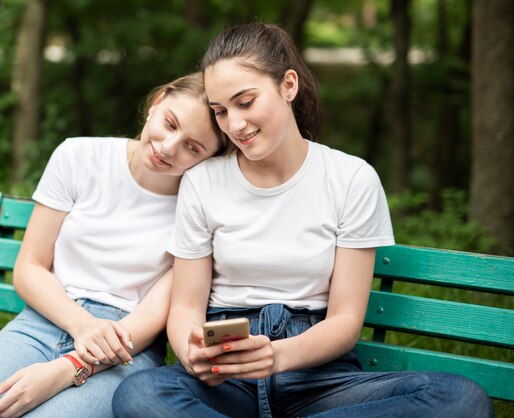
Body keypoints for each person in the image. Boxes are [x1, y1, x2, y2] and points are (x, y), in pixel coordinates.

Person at [112, 23, 493, 418]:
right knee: (140, 394)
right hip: (229, 379)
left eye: (245, 102)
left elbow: (345, 319)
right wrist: (194, 356)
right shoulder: (203, 181)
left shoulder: (351, 179)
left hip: (319, 377)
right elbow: (186, 306)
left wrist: (277, 355)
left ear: (288, 85)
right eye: (220, 111)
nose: (234, 125)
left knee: (459, 399)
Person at [0, 72, 227, 418]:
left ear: (209, 158)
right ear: (157, 103)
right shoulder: (78, 155)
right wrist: (82, 326)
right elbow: (29, 268)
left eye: (193, 147)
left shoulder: (199, 205)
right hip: (43, 320)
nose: (167, 147)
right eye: (170, 123)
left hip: (125, 346)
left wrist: (69, 366)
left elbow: (152, 315)